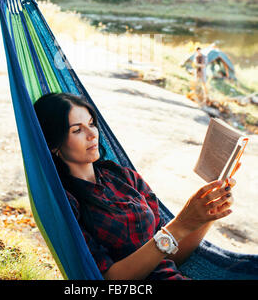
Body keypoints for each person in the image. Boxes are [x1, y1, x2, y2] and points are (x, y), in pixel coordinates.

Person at [34, 92, 235, 281]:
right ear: (53, 144)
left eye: (91, 124)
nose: (92, 134)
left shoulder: (124, 177)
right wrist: (181, 224)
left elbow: (170, 255)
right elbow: (111, 279)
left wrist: (208, 214)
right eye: (77, 130)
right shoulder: (66, 202)